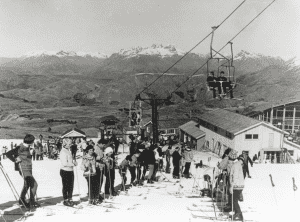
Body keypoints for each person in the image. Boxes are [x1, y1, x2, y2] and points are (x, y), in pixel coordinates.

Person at [6, 134, 40, 208]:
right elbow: (8, 154)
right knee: (34, 185)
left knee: (27, 184)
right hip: (24, 169)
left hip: (27, 168)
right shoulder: (20, 147)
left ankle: (22, 200)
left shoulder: (26, 147)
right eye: (33, 141)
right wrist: (15, 160)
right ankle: (31, 202)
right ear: (31, 142)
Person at [59, 138, 77, 207]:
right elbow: (64, 163)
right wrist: (73, 164)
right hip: (65, 170)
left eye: (70, 144)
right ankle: (65, 199)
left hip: (70, 170)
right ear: (65, 144)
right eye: (69, 144)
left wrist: (74, 162)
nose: (70, 145)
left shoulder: (68, 150)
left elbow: (69, 161)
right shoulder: (63, 151)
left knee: (71, 185)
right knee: (66, 186)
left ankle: (70, 198)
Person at [229, 155, 245, 221]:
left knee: (234, 200)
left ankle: (238, 214)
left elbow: (235, 176)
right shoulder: (239, 165)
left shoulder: (235, 165)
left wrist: (231, 186)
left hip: (236, 185)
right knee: (235, 200)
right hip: (241, 185)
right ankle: (239, 215)